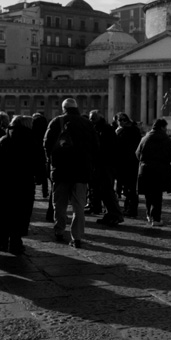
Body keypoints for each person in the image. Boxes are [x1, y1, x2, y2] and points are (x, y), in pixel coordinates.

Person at [44, 98, 99, 248]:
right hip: (81, 171)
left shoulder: (57, 121)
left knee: (59, 204)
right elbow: (96, 146)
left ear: (63, 108)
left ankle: (59, 230)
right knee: (79, 206)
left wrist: (52, 161)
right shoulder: (87, 123)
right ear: (76, 108)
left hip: (61, 170)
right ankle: (77, 237)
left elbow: (47, 144)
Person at [0, 115, 47, 254]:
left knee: (5, 211)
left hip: (5, 182)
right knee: (20, 213)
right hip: (24, 183)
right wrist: (40, 177)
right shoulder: (31, 140)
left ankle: (2, 242)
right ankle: (15, 243)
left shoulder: (3, 139)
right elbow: (38, 162)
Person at [136, 118, 171, 227]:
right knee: (157, 195)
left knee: (148, 194)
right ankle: (156, 218)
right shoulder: (167, 140)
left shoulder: (144, 138)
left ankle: (149, 215)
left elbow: (137, 154)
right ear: (162, 127)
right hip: (160, 169)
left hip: (145, 168)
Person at [88, 110, 125, 226]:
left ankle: (115, 215)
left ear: (99, 118)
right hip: (103, 165)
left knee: (107, 191)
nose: (91, 120)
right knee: (104, 192)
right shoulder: (103, 129)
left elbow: (104, 149)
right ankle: (111, 214)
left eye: (93, 118)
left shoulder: (104, 130)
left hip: (105, 165)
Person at [114, 112, 142, 218]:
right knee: (127, 188)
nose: (121, 122)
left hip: (129, 163)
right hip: (124, 163)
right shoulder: (123, 130)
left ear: (127, 120)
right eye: (119, 120)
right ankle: (127, 208)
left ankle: (132, 209)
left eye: (123, 120)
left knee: (131, 188)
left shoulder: (131, 130)